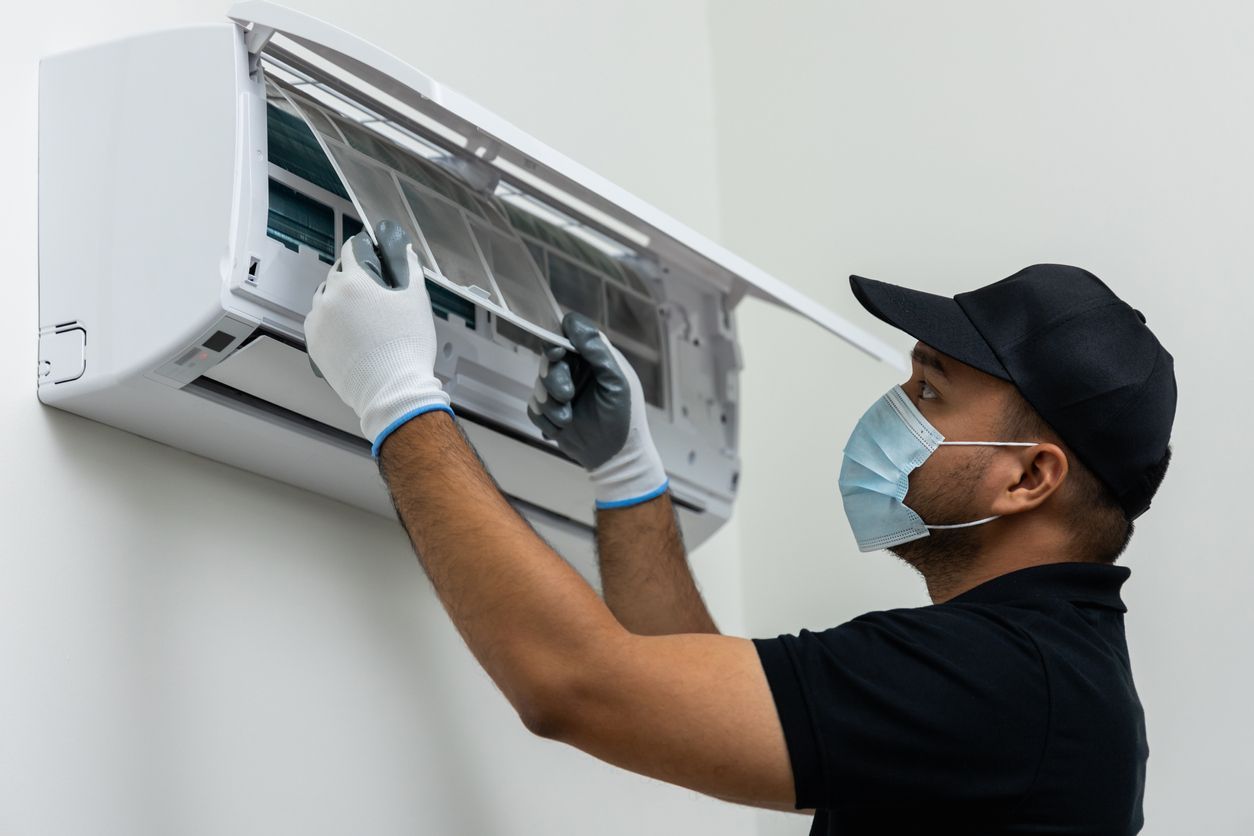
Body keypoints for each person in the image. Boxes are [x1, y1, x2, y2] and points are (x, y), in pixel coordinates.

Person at [304, 220, 1175, 835]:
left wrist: (396, 391)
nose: (896, 411)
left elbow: (575, 686)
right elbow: (678, 689)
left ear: (1029, 476)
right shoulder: (1044, 672)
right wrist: (628, 473)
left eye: (930, 392)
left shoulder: (1006, 678)